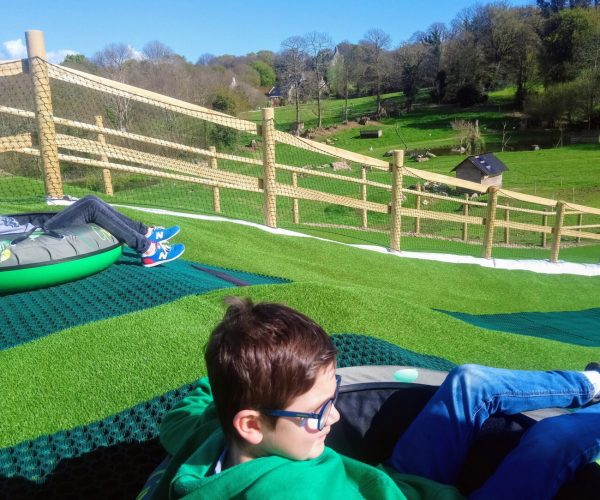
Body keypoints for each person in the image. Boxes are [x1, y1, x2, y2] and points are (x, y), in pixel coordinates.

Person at [155, 298, 600, 499]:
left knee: (469, 383)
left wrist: (237, 373)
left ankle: (590, 384)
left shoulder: (207, 440)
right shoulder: (294, 491)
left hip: (396, 481)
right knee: (555, 437)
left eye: (331, 399)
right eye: (316, 412)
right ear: (251, 424)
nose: (333, 418)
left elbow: (185, 410)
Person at [0, 195, 185, 267]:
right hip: (37, 234)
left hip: (37, 223)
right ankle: (148, 250)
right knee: (91, 206)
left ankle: (145, 232)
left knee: (91, 200)